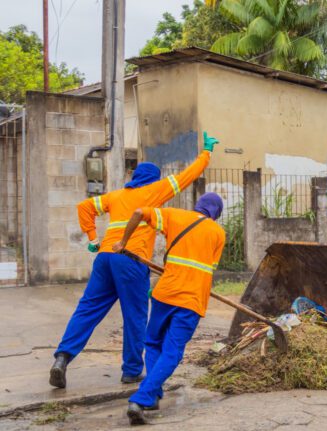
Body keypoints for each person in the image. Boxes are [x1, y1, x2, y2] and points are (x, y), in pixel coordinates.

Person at [49, 132, 220, 389]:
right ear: (153, 179)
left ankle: (62, 357)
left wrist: (94, 238)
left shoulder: (116, 196)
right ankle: (131, 371)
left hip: (105, 258)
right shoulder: (154, 190)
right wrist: (206, 153)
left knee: (87, 309)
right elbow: (188, 176)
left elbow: (84, 207)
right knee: (136, 315)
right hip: (131, 260)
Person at [111, 193, 226, 425]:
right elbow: (208, 267)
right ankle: (141, 398)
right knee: (172, 351)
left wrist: (123, 242)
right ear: (216, 214)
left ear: (198, 205)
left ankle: (153, 394)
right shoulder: (218, 233)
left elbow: (137, 213)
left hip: (164, 294)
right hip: (191, 301)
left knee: (153, 343)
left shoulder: (175, 216)